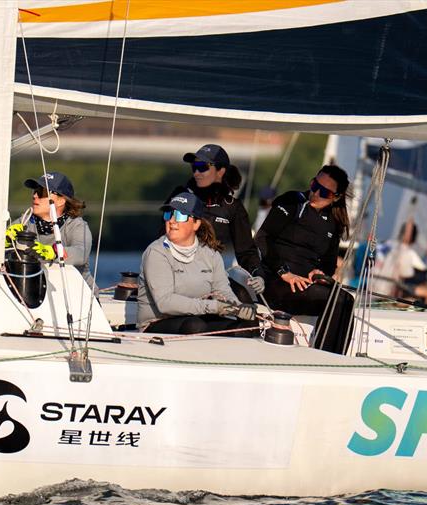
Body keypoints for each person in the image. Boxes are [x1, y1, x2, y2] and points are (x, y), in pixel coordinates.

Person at [255, 165, 354, 354]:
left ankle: (333, 358)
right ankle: (323, 357)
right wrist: (285, 273)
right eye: (314, 185)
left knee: (346, 300)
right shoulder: (292, 201)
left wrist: (321, 273)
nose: (316, 193)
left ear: (336, 197)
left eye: (324, 191)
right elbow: (262, 238)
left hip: (305, 286)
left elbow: (329, 263)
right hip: (276, 282)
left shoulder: (335, 222)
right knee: (337, 300)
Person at [138, 192, 258, 336]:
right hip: (157, 322)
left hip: (198, 317)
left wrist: (236, 306)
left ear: (196, 223)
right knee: (195, 326)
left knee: (243, 329)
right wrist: (214, 307)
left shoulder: (210, 254)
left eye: (180, 215)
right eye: (168, 214)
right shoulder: (156, 252)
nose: (172, 221)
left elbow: (222, 290)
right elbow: (165, 303)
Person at [167, 144, 265, 302]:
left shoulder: (233, 207)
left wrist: (258, 275)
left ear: (221, 171)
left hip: (211, 276)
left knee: (243, 298)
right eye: (194, 167)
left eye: (202, 167)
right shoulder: (181, 196)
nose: (196, 172)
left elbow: (246, 251)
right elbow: (162, 239)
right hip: (177, 274)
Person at [7, 171, 94, 289]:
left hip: (78, 296)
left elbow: (81, 254)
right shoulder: (24, 222)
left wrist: (52, 251)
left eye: (42, 192)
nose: (35, 196)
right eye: (35, 191)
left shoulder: (77, 225)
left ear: (60, 201)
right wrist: (5, 240)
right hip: (40, 296)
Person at [373, 221, 427, 305]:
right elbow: (406, 275)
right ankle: (424, 316)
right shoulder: (406, 252)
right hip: (387, 293)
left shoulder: (386, 245)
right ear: (414, 238)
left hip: (372, 287)